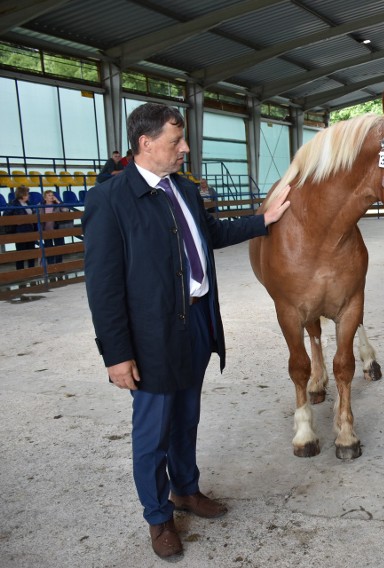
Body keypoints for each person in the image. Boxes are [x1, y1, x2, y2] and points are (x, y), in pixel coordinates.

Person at [83, 103, 292, 560]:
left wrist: (264, 220)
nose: (185, 148)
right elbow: (103, 288)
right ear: (146, 143)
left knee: (187, 417)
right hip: (150, 334)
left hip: (195, 321)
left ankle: (185, 490)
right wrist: (116, 354)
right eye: (176, 141)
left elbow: (211, 234)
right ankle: (158, 517)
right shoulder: (110, 200)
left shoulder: (185, 189)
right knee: (152, 431)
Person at [3, 185, 38, 269]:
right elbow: (6, 215)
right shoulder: (13, 203)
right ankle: (20, 271)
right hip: (19, 232)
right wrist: (16, 222)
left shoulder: (28, 203)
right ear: (22, 194)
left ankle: (31, 270)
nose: (29, 195)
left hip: (30, 230)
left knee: (31, 252)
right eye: (27, 193)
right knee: (20, 253)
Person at [41, 189, 69, 264]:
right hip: (46, 230)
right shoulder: (41, 206)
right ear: (45, 198)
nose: (51, 197)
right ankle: (51, 265)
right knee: (49, 249)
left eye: (52, 195)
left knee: (59, 248)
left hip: (57, 229)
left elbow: (66, 210)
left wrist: (58, 201)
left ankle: (59, 265)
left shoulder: (57, 205)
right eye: (49, 195)